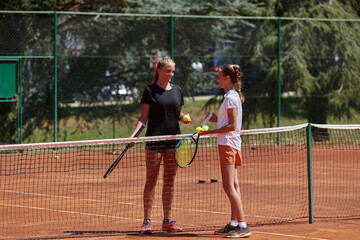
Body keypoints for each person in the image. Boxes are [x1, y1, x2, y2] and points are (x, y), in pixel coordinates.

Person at [129, 57, 190, 234]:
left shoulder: (178, 90)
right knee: (151, 180)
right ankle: (146, 221)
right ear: (159, 71)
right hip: (154, 140)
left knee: (169, 181)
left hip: (173, 140)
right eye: (167, 71)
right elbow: (143, 118)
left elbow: (178, 113)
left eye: (172, 71)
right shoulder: (150, 91)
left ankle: (167, 220)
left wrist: (183, 118)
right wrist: (134, 136)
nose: (170, 74)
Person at [199, 64, 251, 238]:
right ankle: (234, 223)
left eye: (219, 76)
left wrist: (209, 132)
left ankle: (243, 226)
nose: (217, 79)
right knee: (234, 185)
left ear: (226, 78)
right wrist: (216, 119)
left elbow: (232, 126)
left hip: (228, 144)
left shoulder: (230, 98)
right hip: (232, 144)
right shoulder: (232, 96)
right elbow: (228, 122)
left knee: (228, 186)